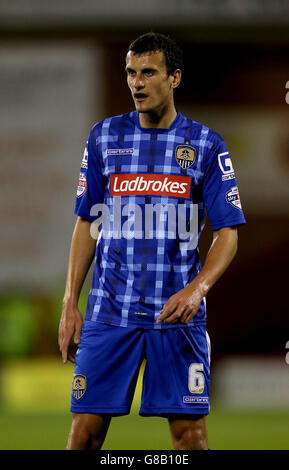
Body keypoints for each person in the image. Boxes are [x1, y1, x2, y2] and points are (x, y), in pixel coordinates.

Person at [58, 32, 246, 450]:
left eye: (148, 72)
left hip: (175, 317)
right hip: (110, 312)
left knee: (189, 436)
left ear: (174, 77)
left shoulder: (205, 145)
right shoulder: (104, 138)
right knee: (84, 432)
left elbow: (228, 234)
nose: (137, 83)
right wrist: (71, 302)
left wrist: (198, 289)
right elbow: (86, 223)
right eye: (131, 73)